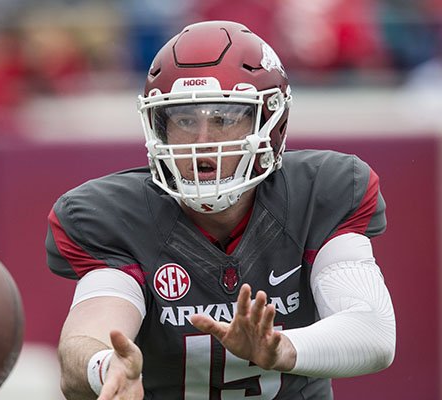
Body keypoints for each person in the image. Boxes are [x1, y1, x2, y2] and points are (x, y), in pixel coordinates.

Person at [45, 20, 396, 400]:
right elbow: (87, 337)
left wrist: (280, 349)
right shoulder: (114, 216)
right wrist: (105, 367)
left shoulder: (320, 192)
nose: (202, 141)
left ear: (269, 121)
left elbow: (373, 332)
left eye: (224, 119)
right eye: (183, 120)